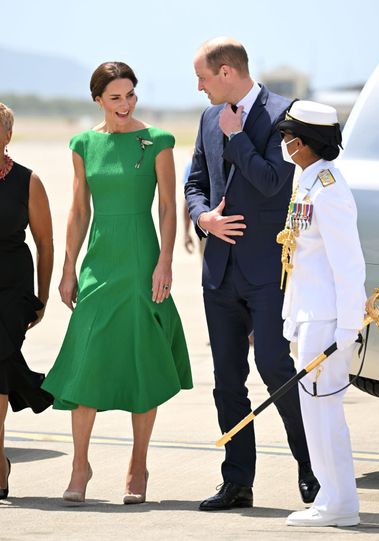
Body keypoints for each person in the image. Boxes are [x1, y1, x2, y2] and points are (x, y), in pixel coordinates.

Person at [42, 62, 193, 504]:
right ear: (98, 100)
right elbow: (78, 210)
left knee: (143, 358)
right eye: (115, 97)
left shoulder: (158, 141)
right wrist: (70, 267)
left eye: (130, 95)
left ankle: (138, 464)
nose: (125, 105)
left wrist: (164, 262)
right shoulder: (84, 143)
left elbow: (168, 207)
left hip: (144, 260)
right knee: (87, 359)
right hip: (99, 262)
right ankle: (79, 465)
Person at [185, 37, 319, 511]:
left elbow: (270, 183)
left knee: (276, 369)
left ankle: (313, 469)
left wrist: (237, 138)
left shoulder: (287, 115)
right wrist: (204, 218)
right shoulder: (207, 118)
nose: (198, 86)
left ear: (226, 72)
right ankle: (237, 482)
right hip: (218, 272)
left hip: (268, 272)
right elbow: (196, 181)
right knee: (226, 381)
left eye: (202, 76)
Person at [277, 100, 366, 527]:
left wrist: (349, 327)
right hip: (309, 317)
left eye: (287, 136)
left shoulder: (328, 188)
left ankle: (339, 504)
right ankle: (331, 497)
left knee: (324, 413)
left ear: (305, 142)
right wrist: (290, 316)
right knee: (315, 413)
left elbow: (348, 263)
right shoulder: (307, 182)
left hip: (328, 321)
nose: (284, 143)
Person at [0, 102, 54, 499]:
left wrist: (43, 294)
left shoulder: (27, 181)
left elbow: (45, 242)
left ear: (8, 136)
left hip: (12, 289)